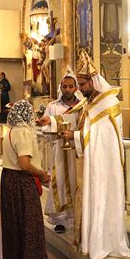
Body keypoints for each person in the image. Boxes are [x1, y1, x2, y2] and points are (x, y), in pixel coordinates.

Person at [38, 50, 130, 259]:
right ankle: (90, 237)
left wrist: (76, 136)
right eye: (77, 84)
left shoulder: (107, 103)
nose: (79, 89)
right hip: (91, 161)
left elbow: (102, 137)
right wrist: (51, 122)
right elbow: (74, 119)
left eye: (82, 84)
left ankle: (104, 240)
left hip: (103, 165)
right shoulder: (91, 101)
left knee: (100, 200)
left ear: (93, 81)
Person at [0, 100, 50, 259]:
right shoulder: (23, 132)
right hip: (20, 181)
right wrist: (42, 174)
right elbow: (25, 164)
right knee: (29, 223)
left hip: (10, 179)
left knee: (18, 223)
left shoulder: (11, 130)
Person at [42, 71, 81, 234]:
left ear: (76, 88)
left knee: (76, 182)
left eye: (71, 86)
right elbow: (44, 126)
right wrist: (55, 129)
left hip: (77, 150)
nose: (67, 90)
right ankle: (60, 220)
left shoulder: (82, 105)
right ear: (61, 88)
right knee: (59, 183)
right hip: (59, 149)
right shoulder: (53, 106)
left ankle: (77, 218)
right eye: (64, 86)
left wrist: (74, 135)